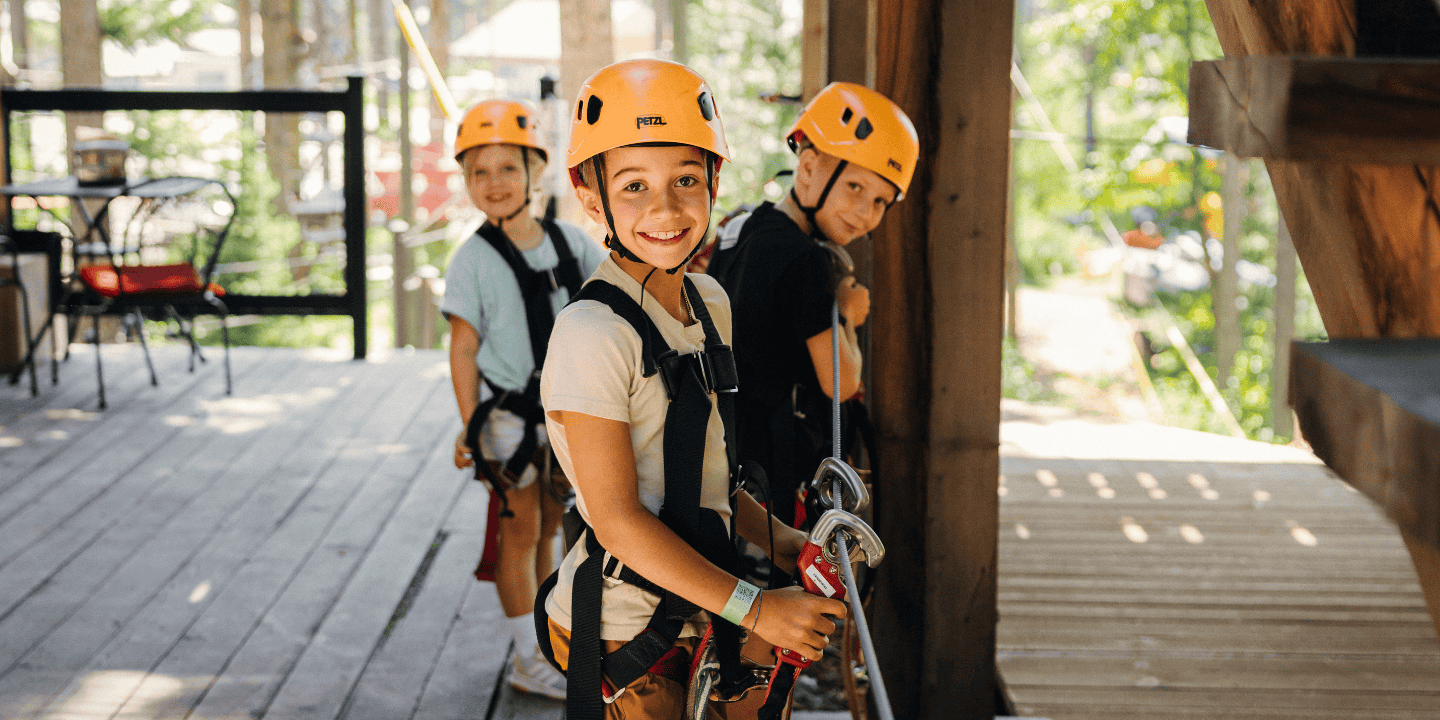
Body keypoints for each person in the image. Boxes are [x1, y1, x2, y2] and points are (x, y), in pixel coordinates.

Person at [534, 58, 846, 718]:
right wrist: (757, 605)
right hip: (629, 618)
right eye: (634, 186)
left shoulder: (708, 302)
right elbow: (619, 521)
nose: (666, 208)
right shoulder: (591, 334)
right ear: (592, 198)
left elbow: (705, 472)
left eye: (685, 178)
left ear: (715, 179)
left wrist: (782, 541)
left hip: (711, 591)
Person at [441, 98, 607, 700]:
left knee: (549, 531)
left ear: (536, 171)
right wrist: (468, 425)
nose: (494, 183)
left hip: (566, 413)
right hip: (509, 418)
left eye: (508, 168)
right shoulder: (472, 260)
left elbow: (608, 308)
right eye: (478, 172)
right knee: (520, 531)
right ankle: (526, 654)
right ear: (465, 181)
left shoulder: (570, 243)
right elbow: (464, 347)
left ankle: (547, 640)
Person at [706, 81, 919, 528]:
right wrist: (847, 316)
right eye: (855, 187)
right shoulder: (808, 262)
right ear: (807, 169)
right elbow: (841, 381)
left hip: (725, 449)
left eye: (880, 201)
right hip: (775, 469)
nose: (865, 212)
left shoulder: (740, 228)